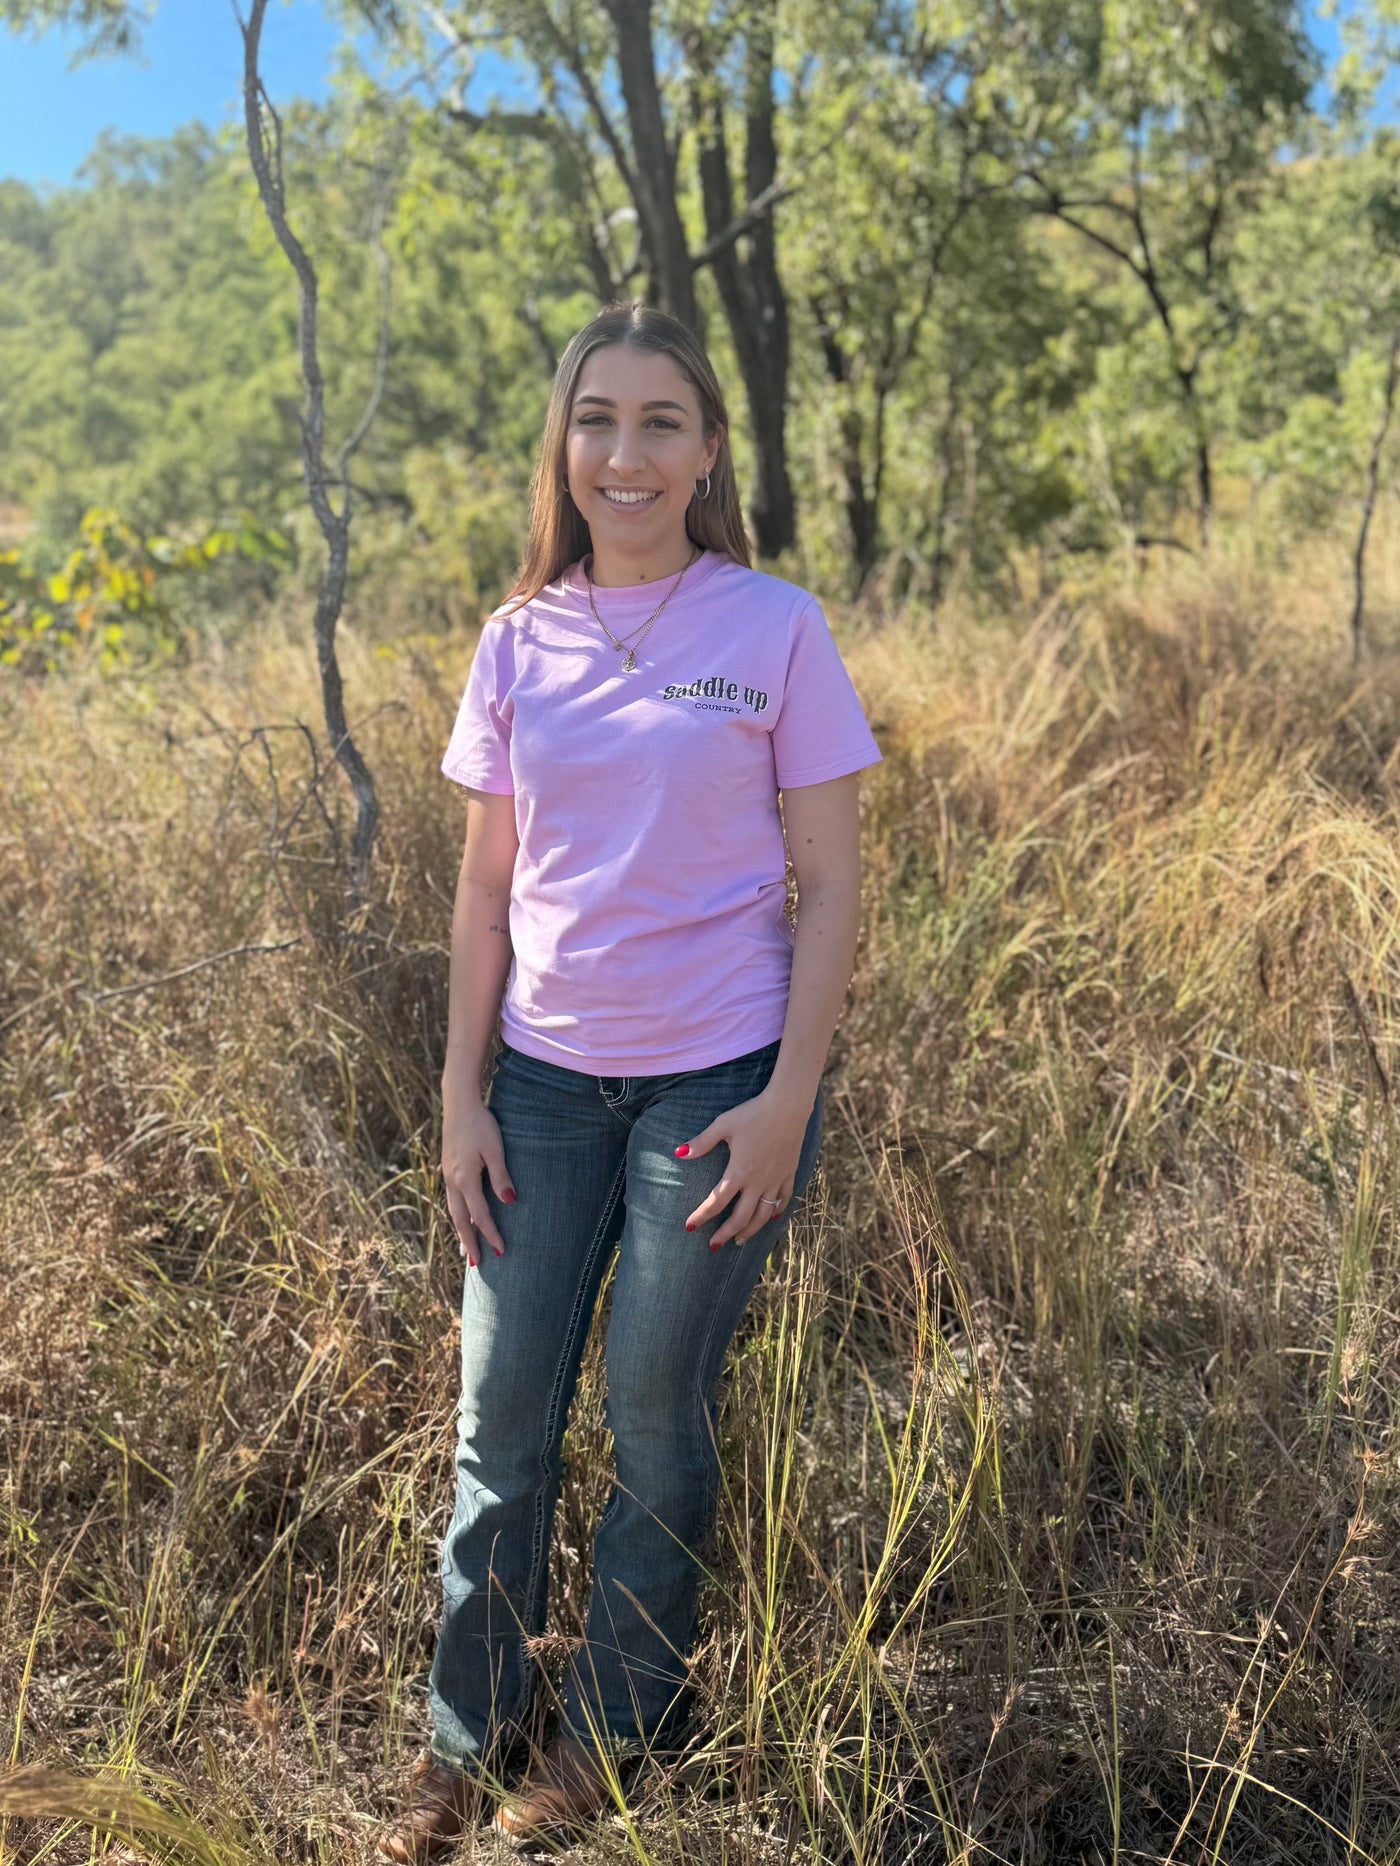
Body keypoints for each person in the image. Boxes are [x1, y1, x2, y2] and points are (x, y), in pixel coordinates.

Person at [377, 302, 881, 1859]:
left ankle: (608, 1737)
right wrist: (459, 1096)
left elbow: (833, 881)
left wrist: (789, 1096)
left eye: (664, 421)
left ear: (710, 449)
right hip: (537, 1083)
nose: (627, 452)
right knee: (499, 1416)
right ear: (564, 444)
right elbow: (483, 889)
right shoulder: (518, 636)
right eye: (599, 419)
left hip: (711, 1091)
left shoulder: (775, 626)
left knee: (655, 1413)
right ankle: (462, 1745)